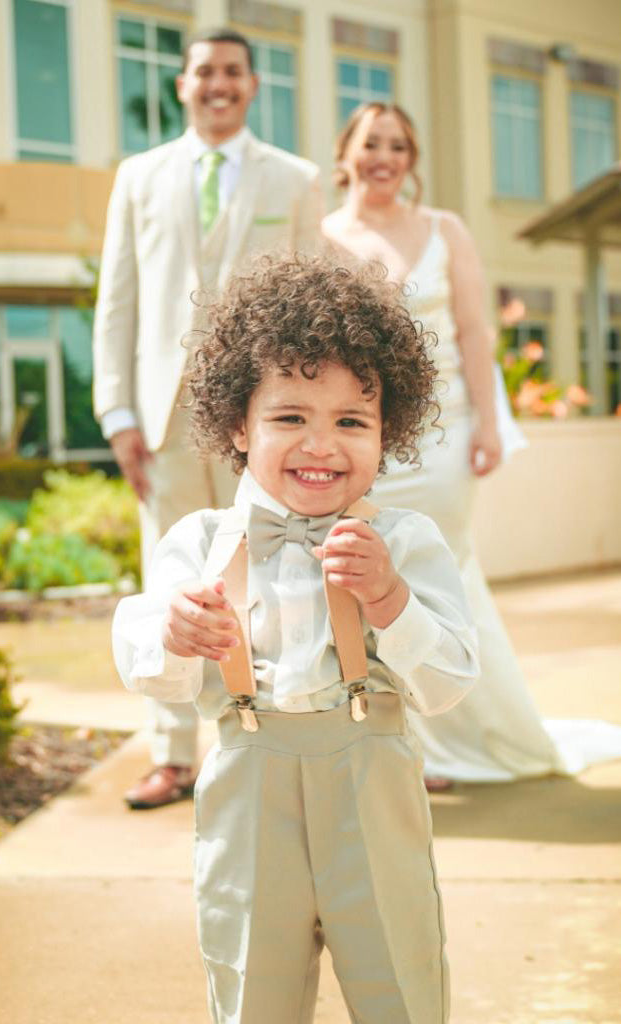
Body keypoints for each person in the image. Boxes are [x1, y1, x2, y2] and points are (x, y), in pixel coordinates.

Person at [112, 253, 479, 1022]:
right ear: (238, 428)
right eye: (289, 418)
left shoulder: (405, 540)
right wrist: (178, 634)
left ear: (389, 433)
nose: (321, 445)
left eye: (351, 421)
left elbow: (447, 684)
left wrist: (388, 597)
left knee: (399, 975)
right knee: (251, 981)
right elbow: (149, 660)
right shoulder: (199, 541)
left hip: (369, 773)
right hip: (249, 777)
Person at [322, 102, 621, 785]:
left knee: (437, 573)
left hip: (443, 437)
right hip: (365, 442)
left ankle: (459, 734)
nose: (384, 157)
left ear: (411, 160)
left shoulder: (443, 230)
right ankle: (400, 739)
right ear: (346, 153)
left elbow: (474, 333)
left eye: (398, 145)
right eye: (372, 143)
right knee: (363, 577)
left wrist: (488, 423)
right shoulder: (323, 235)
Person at [93, 28, 323, 809]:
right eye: (203, 73)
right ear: (182, 85)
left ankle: (257, 731)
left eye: (232, 72)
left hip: (257, 419)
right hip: (162, 416)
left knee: (260, 571)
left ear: (252, 85)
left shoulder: (293, 180)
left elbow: (307, 309)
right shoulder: (139, 176)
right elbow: (116, 299)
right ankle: (170, 755)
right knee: (168, 578)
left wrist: (298, 421)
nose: (217, 84)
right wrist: (117, 411)